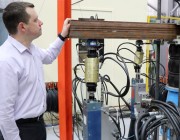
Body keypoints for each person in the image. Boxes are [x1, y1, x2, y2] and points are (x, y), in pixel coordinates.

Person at [0, 1, 71, 140]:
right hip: (21, 131)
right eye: (35, 20)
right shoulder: (6, 60)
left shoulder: (31, 49)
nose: (41, 22)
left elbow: (49, 56)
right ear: (22, 27)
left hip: (38, 125)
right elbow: (4, 113)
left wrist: (62, 36)